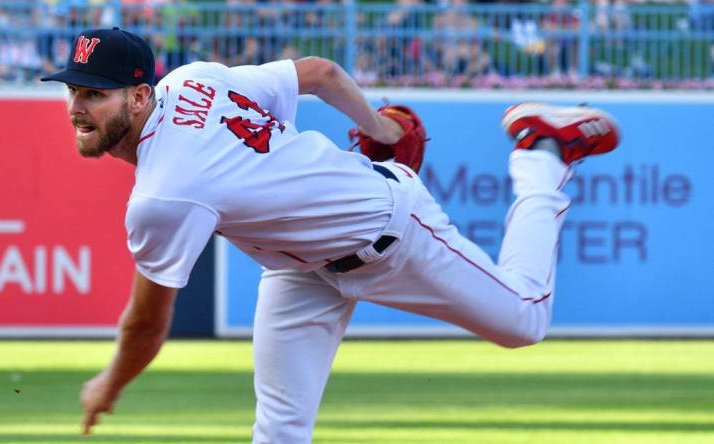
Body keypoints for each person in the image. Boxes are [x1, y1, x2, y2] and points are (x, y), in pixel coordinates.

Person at [42, 28, 620, 443]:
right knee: (279, 432)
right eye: (73, 89)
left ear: (140, 96)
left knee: (525, 319)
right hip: (301, 270)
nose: (76, 107)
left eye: (95, 93)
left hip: (389, 231)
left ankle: (542, 153)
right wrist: (382, 128)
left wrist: (110, 384)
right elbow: (321, 73)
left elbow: (146, 324)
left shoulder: (164, 193)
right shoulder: (195, 80)